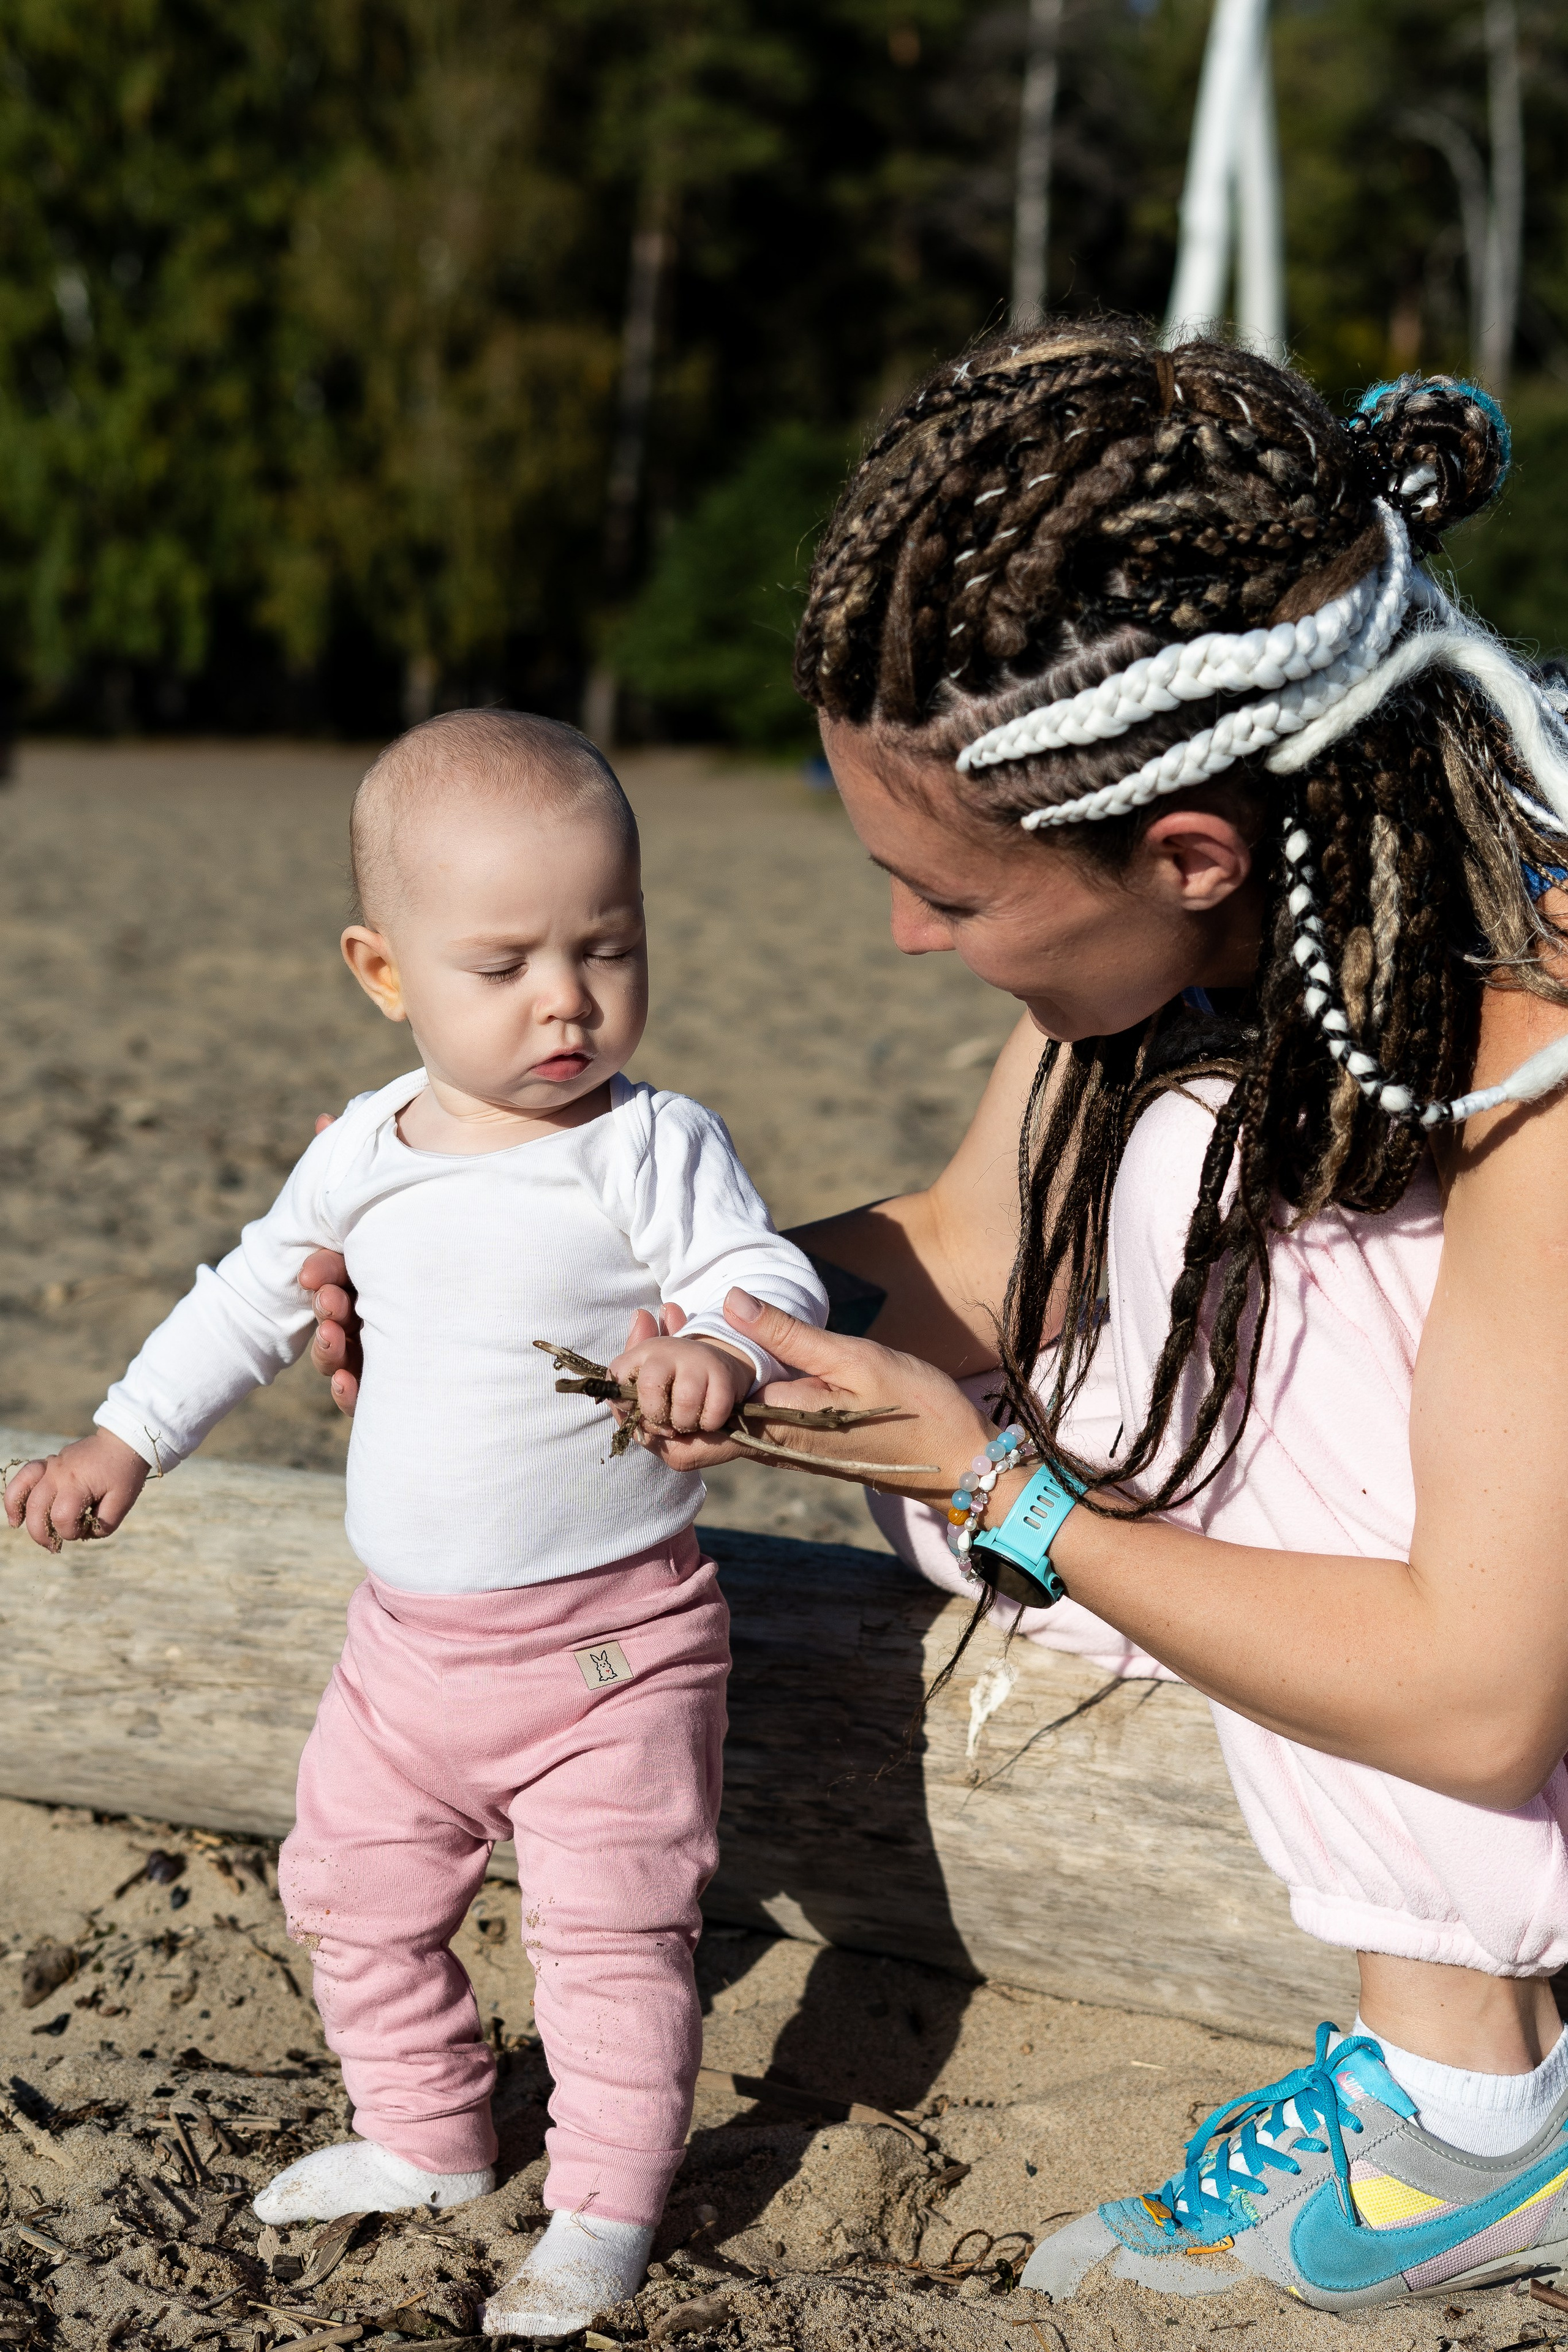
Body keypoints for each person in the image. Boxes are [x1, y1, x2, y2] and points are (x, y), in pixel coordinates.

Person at [314, 330, 1568, 2313]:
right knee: (1126, 1247)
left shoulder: (1539, 1029)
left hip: (1490, 1656)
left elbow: (1488, 1698)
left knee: (1225, 1254)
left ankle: (1477, 2110)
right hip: (1451, 1577)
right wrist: (551, 1307)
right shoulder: (1245, 904)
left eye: (955, 901)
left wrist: (1008, 1494)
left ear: (1186, 854)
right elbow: (977, 1255)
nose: (907, 939)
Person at [2, 709, 827, 2341]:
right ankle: (430, 2137)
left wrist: (713, 1343)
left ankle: (600, 2210)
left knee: (612, 1946)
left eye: (609, 947)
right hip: (402, 1656)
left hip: (611, 1655)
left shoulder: (646, 1146)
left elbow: (765, 1273)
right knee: (348, 1896)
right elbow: (245, 1297)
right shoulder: (364, 1152)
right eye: (504, 961)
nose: (567, 1000)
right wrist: (126, 1437)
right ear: (384, 973)